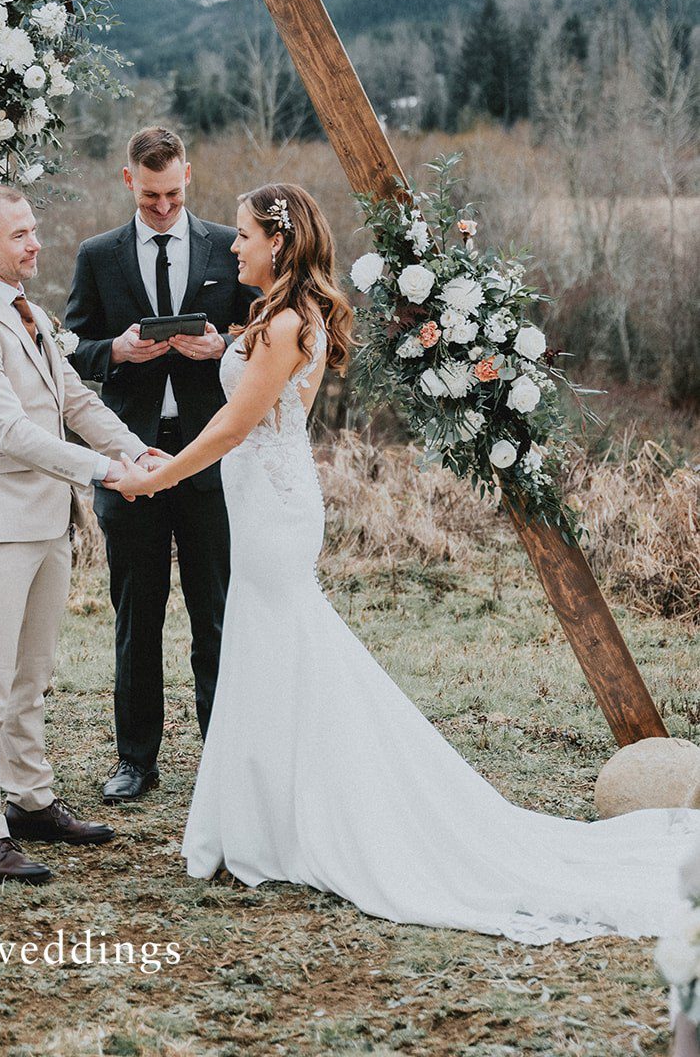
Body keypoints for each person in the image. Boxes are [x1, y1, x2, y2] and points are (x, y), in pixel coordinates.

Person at [105, 182, 700, 942]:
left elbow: (233, 424)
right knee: (267, 647)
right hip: (266, 500)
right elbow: (240, 407)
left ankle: (288, 819)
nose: (233, 246)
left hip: (273, 509)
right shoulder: (279, 318)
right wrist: (208, 377)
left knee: (280, 642)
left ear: (279, 243)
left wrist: (156, 476)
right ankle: (266, 818)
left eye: (247, 236)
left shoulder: (286, 321)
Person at [0, 183, 166, 884]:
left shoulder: (29, 311)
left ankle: (31, 803)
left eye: (34, 230)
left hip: (50, 524)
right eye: (21, 234)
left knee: (31, 678)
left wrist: (139, 453)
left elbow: (74, 400)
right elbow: (11, 433)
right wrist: (106, 471)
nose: (36, 243)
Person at [65, 126, 259, 802]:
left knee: (215, 614)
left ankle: (224, 754)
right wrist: (114, 351)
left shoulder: (226, 246)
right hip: (132, 461)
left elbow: (266, 335)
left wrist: (224, 347)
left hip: (211, 461)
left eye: (174, 194)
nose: (164, 208)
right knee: (135, 617)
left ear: (188, 178)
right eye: (151, 197)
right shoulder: (98, 256)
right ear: (128, 182)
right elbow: (70, 349)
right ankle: (135, 762)